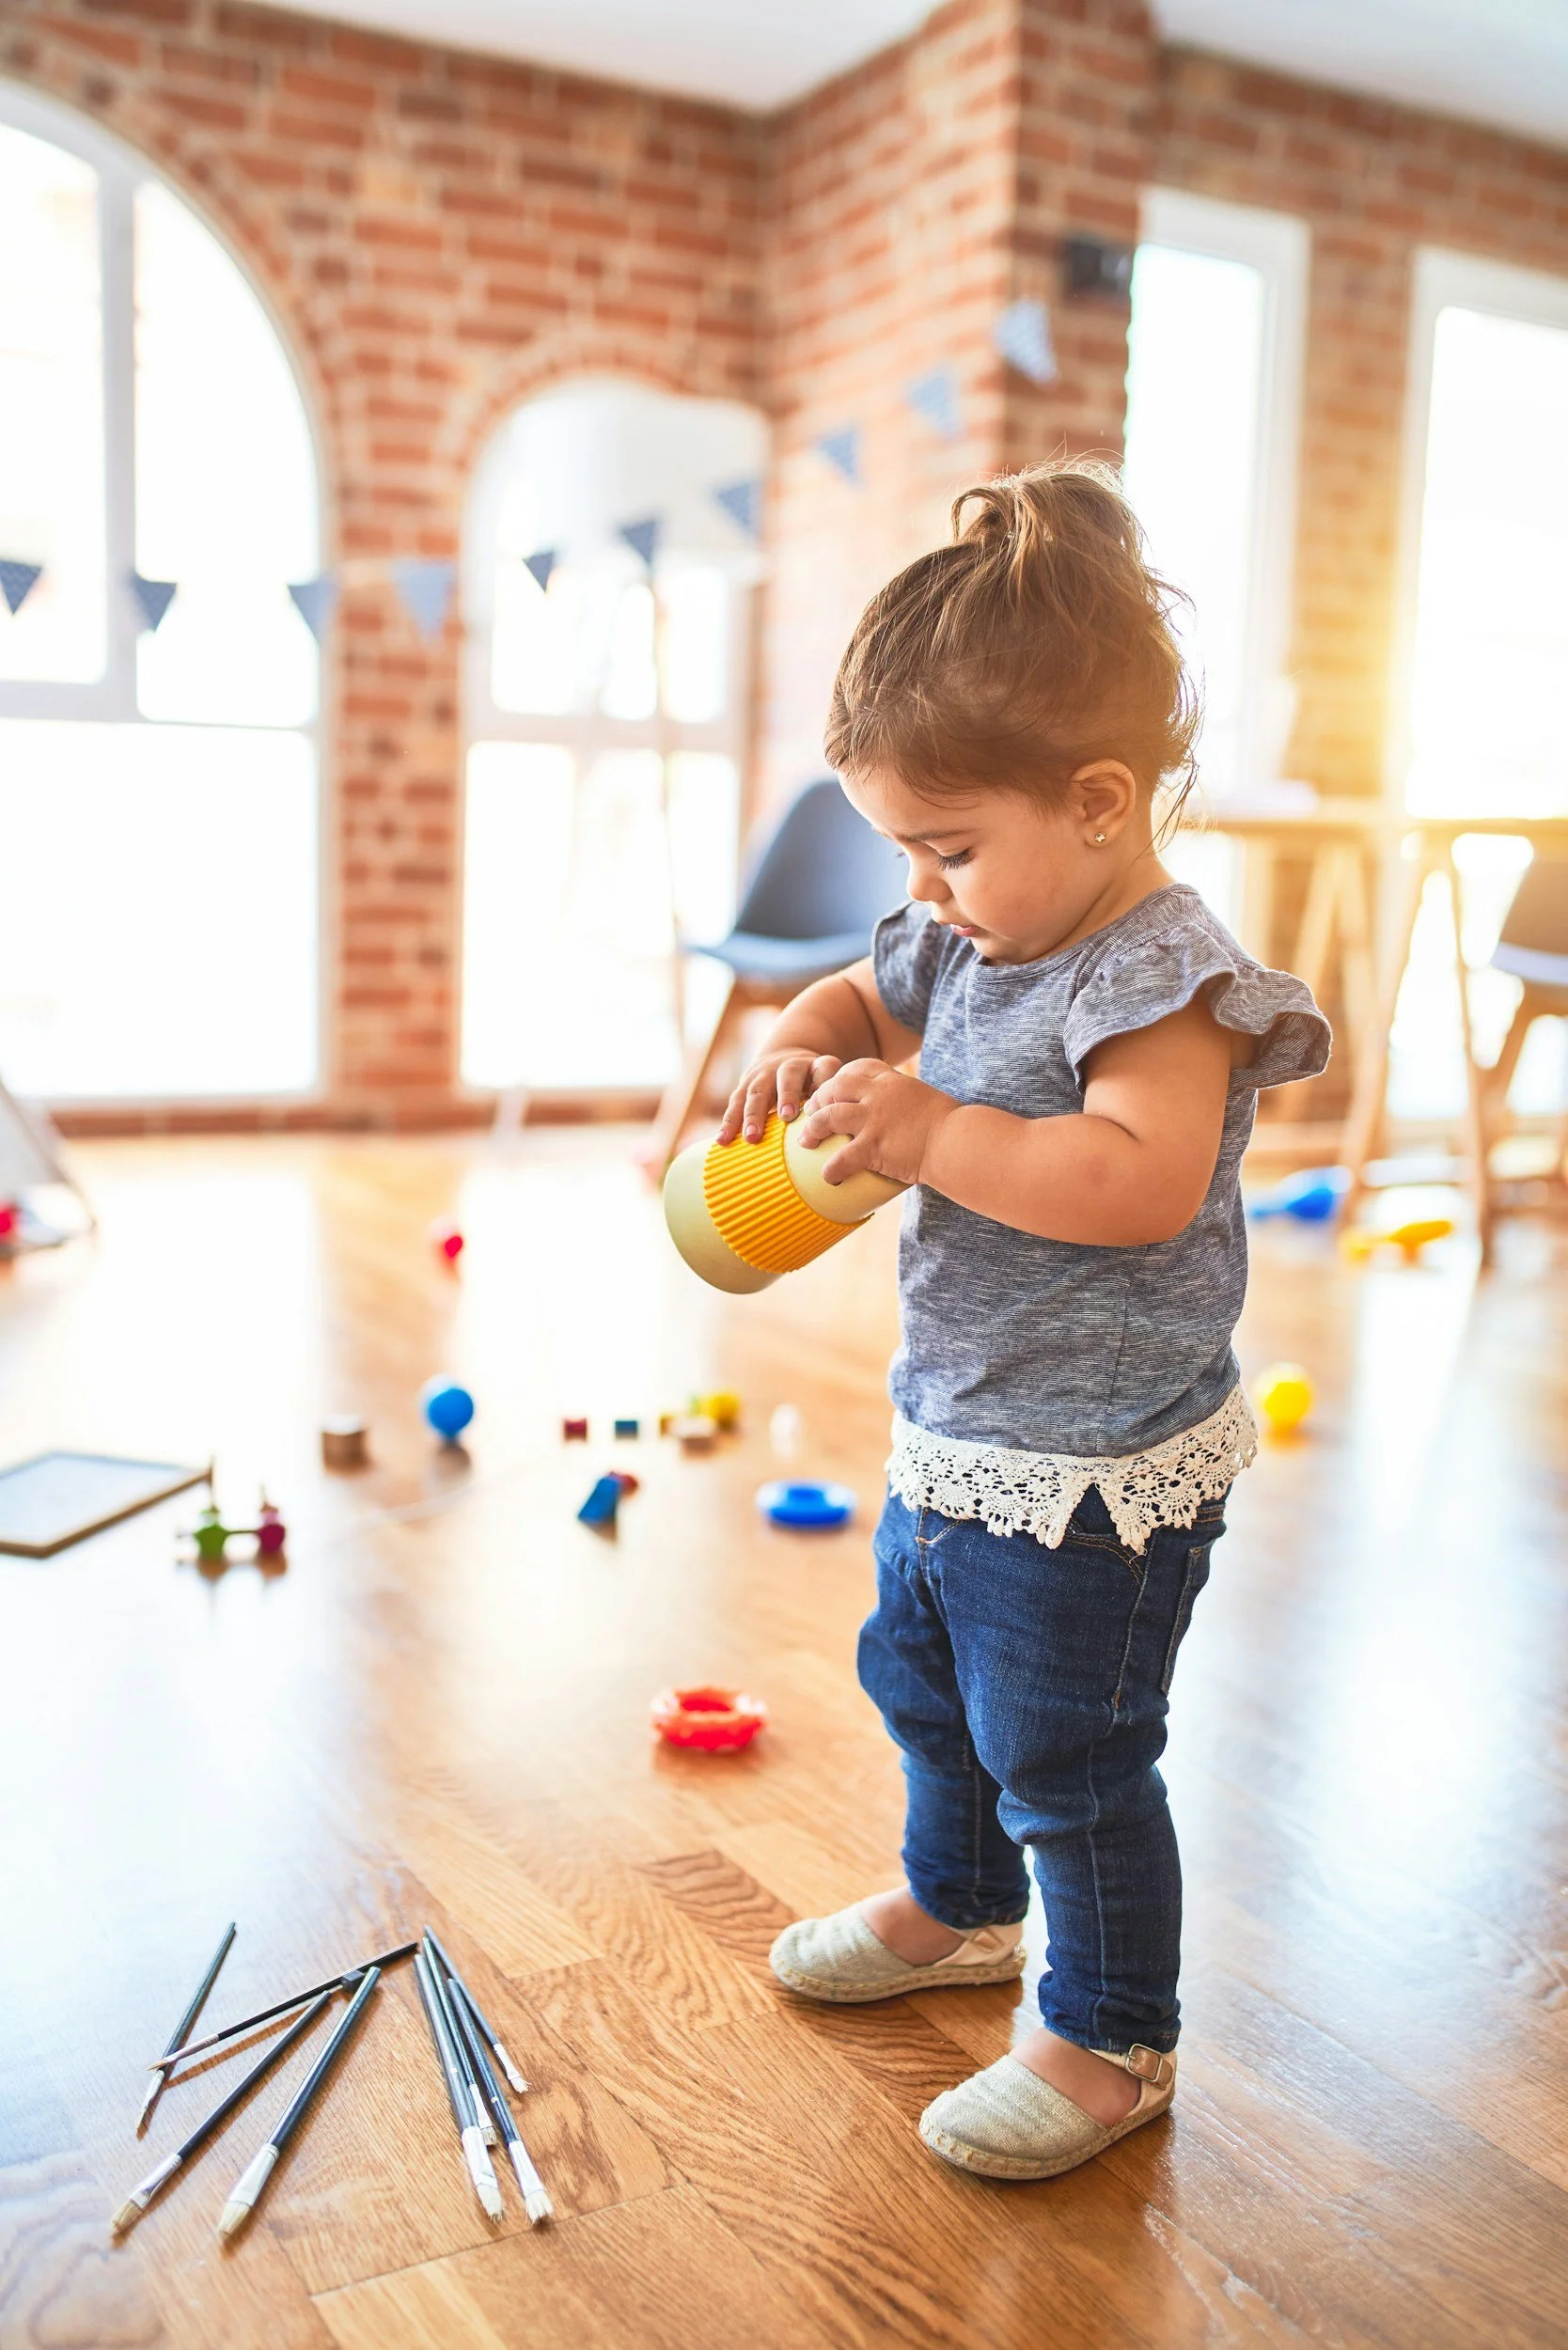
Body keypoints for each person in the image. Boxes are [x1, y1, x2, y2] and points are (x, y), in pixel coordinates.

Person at [718, 459, 1330, 2182]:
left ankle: (1110, 2031)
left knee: (1069, 1749)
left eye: (949, 846)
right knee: (921, 1680)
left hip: (1101, 1470)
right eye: (907, 848)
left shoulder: (1163, 977)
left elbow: (1135, 1179)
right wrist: (805, 1029)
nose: (923, 889)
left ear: (1104, 801)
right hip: (966, 1426)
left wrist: (931, 1132)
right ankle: (963, 1901)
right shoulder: (974, 929)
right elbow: (864, 981)